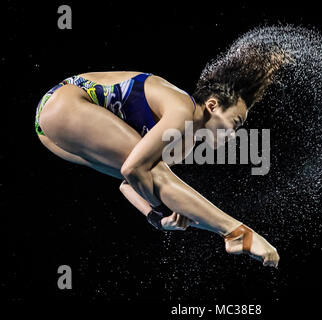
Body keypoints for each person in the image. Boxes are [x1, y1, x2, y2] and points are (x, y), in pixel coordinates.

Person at [35, 38, 293, 268]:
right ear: (212, 105)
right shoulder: (182, 109)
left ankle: (233, 233)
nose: (235, 134)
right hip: (64, 101)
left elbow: (128, 185)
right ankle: (238, 233)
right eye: (235, 123)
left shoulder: (182, 145)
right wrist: (160, 206)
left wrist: (157, 217)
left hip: (51, 132)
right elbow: (134, 171)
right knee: (155, 176)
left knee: (158, 181)